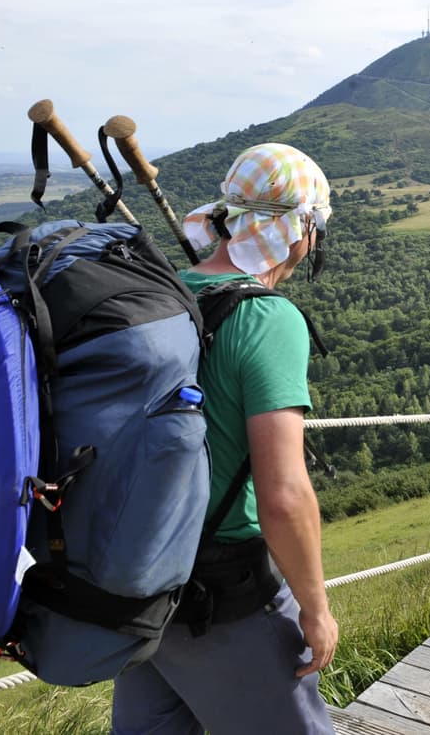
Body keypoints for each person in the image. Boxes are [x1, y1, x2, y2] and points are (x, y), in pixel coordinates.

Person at [112, 143, 338, 735]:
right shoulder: (267, 319)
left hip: (139, 585)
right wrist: (316, 609)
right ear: (298, 229)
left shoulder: (162, 293)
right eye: (315, 227)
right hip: (227, 598)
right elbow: (284, 494)